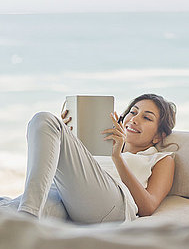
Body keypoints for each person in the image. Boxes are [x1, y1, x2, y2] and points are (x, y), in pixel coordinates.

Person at [17, 94, 177, 224]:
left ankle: (27, 217)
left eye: (147, 118)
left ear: (159, 136)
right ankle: (25, 219)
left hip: (112, 204)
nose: (134, 119)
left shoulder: (160, 159)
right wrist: (64, 135)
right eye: (133, 112)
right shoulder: (97, 145)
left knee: (44, 119)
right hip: (69, 198)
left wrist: (117, 157)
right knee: (6, 213)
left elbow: (148, 207)